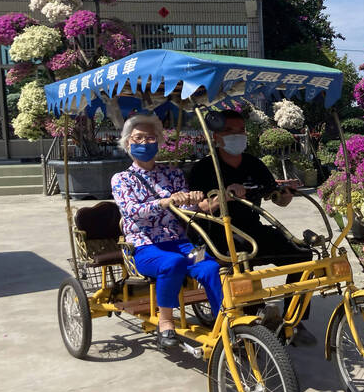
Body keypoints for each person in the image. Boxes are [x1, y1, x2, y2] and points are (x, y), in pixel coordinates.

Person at [188, 109, 317, 347]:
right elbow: (201, 206)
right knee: (241, 264)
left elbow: (274, 197)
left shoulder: (254, 164)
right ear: (216, 137)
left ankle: (293, 321)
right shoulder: (204, 168)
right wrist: (225, 196)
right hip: (217, 234)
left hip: (252, 229)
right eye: (229, 131)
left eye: (241, 131)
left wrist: (285, 196)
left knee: (302, 256)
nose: (237, 135)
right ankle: (248, 326)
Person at [111, 114, 223, 349]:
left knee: (210, 264)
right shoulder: (121, 179)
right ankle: (165, 322)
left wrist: (193, 199)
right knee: (172, 263)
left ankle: (224, 321)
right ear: (127, 143)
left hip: (181, 244)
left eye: (150, 138)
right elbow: (131, 210)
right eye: (138, 138)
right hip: (144, 247)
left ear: (158, 142)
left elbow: (187, 210)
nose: (144, 143)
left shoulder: (173, 174)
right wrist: (163, 202)